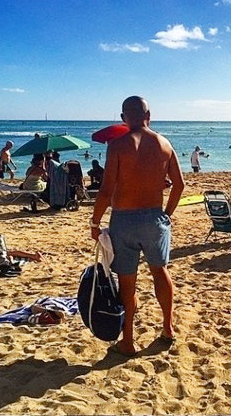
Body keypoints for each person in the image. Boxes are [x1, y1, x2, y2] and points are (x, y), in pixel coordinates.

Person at [90, 96, 184, 357]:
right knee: (160, 271)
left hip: (124, 220)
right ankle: (167, 328)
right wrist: (167, 214)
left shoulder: (118, 145)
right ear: (149, 115)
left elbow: (107, 190)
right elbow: (179, 185)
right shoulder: (165, 144)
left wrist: (95, 222)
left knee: (127, 281)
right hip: (155, 218)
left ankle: (129, 341)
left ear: (123, 118)